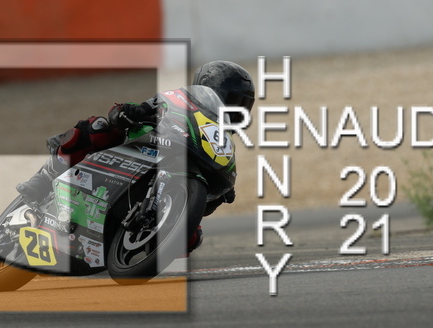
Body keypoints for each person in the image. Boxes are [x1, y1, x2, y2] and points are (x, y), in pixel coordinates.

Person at [16, 60, 256, 254]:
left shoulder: (221, 142)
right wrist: (131, 111)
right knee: (99, 127)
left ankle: (130, 248)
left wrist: (217, 195)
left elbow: (197, 206)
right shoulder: (180, 99)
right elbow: (147, 106)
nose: (234, 109)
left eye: (242, 106)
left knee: (193, 238)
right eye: (231, 100)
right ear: (207, 89)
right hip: (142, 143)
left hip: (175, 169)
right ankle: (44, 178)